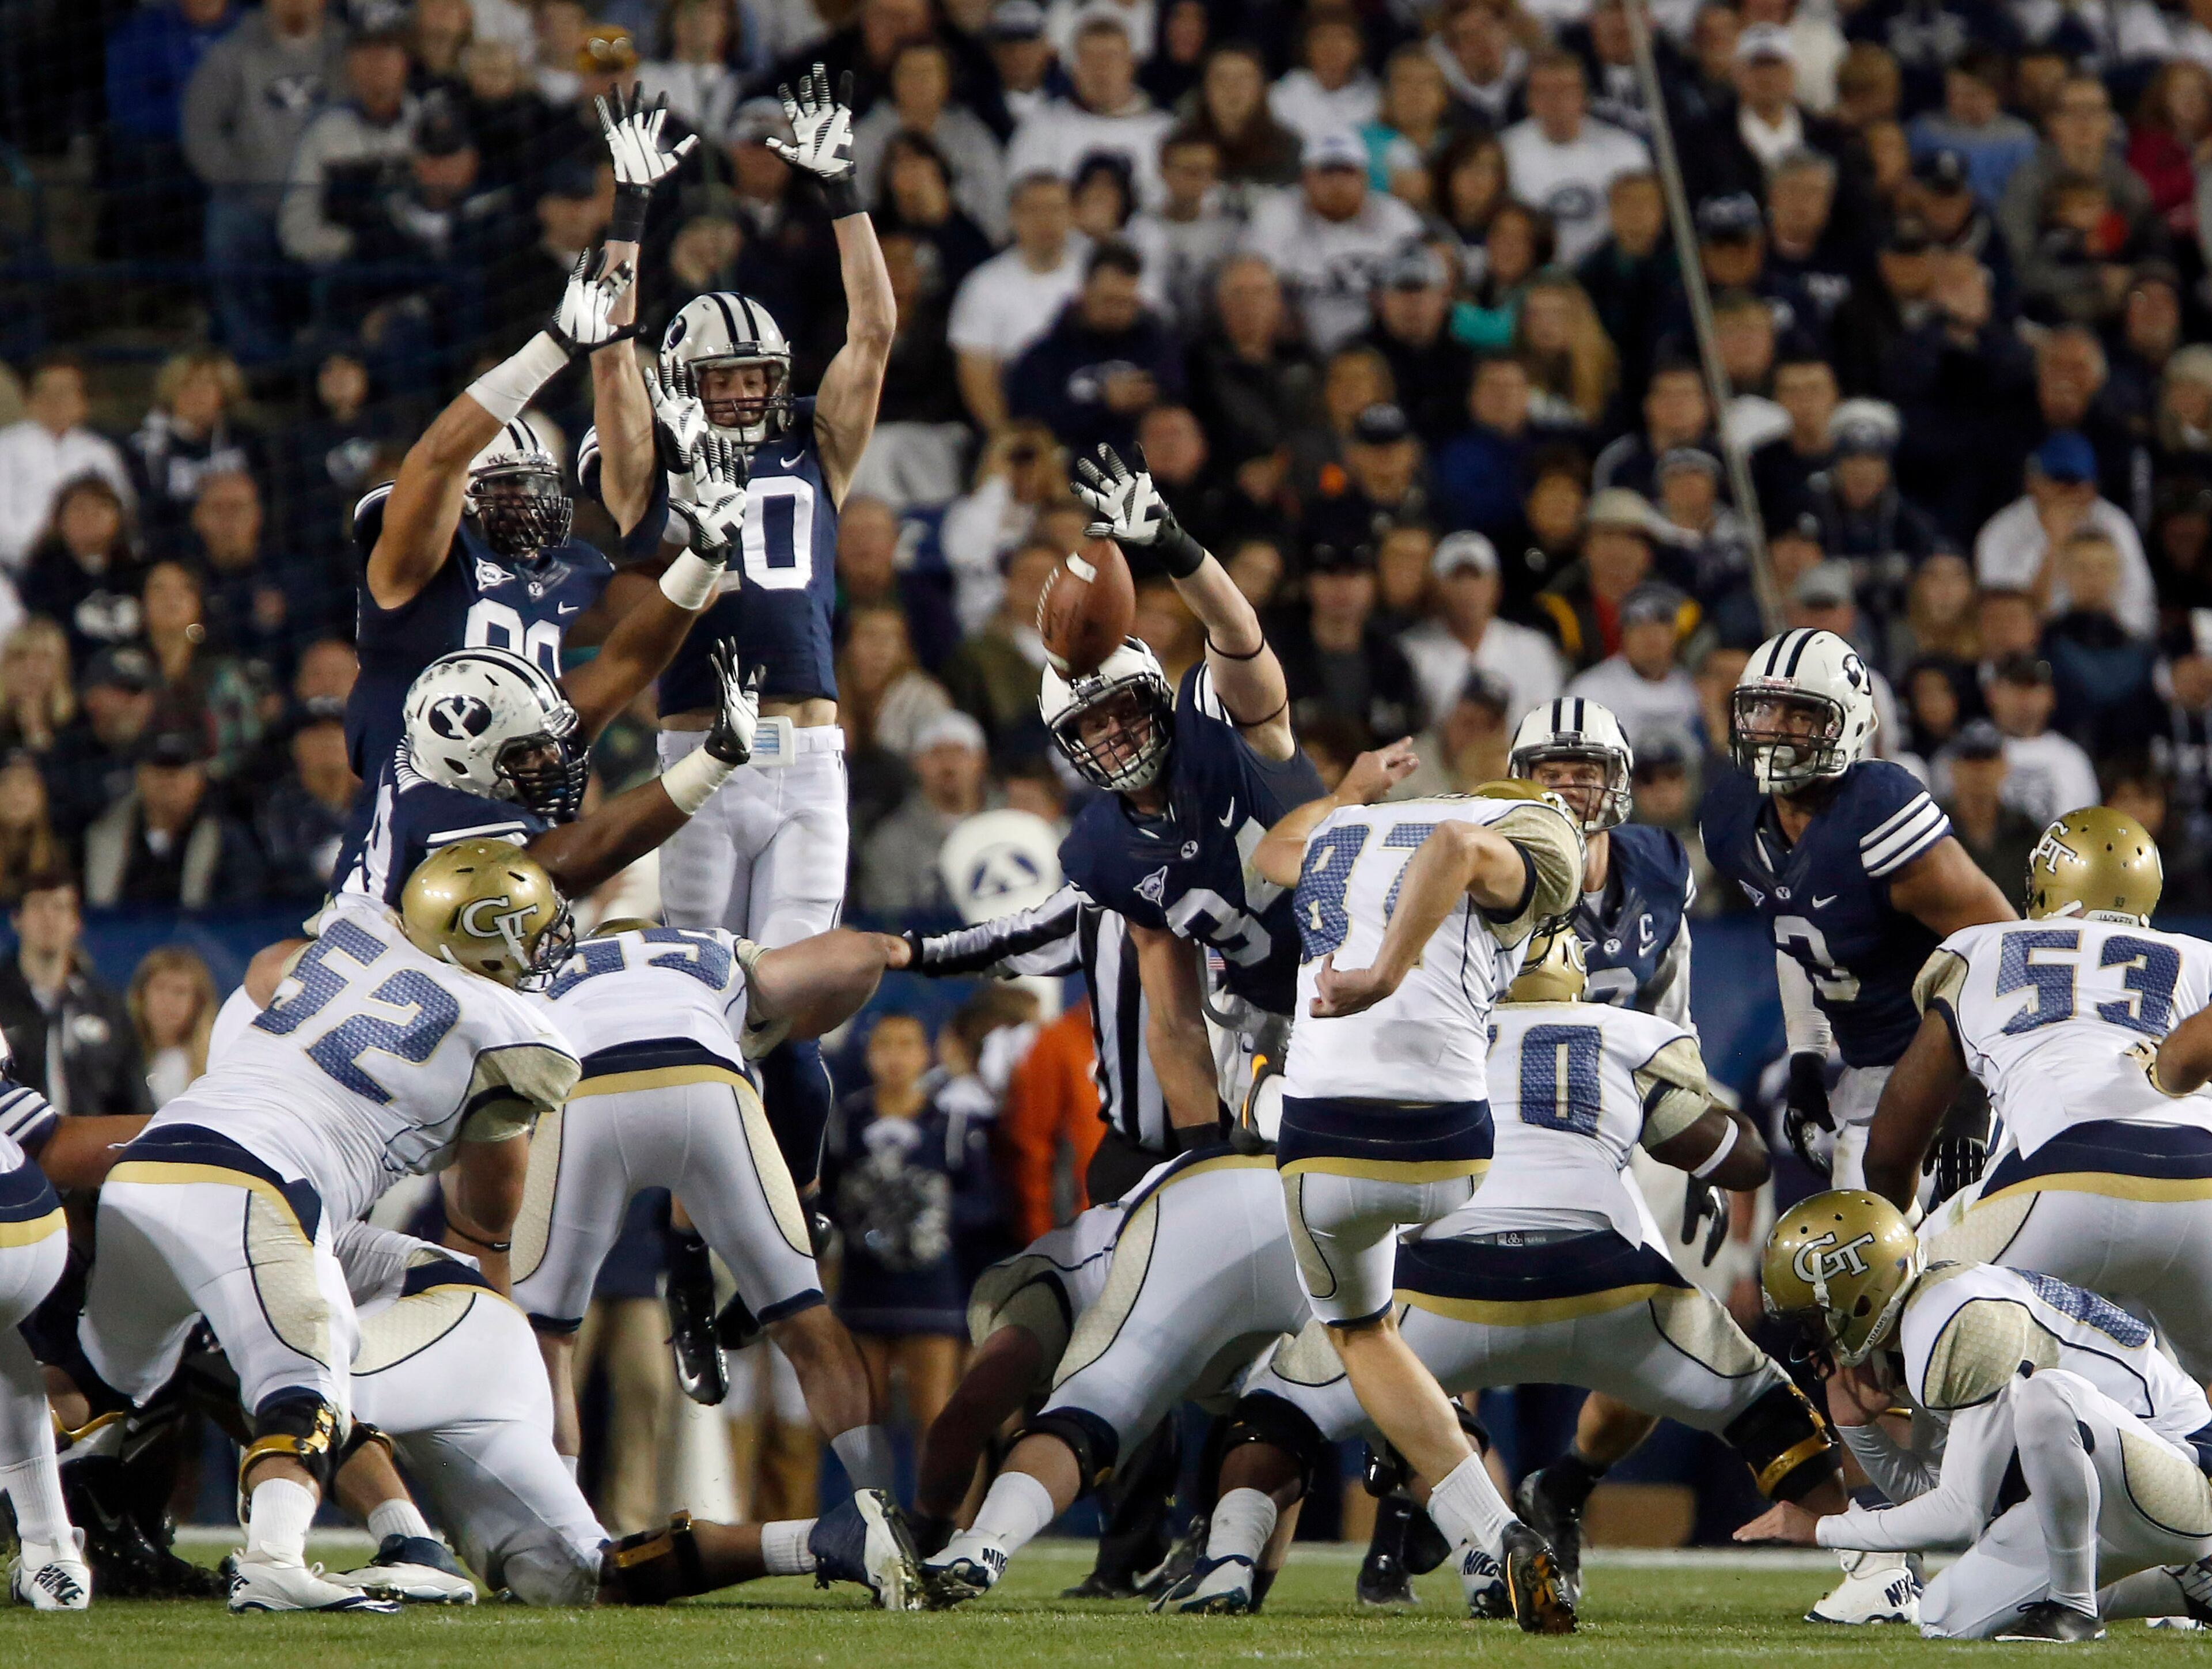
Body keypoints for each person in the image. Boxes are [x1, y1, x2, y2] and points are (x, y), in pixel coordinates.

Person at [1195, 929, 1832, 1616]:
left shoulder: (1421, 1034)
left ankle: (1229, 1561)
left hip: (1438, 1292)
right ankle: (1870, 1561)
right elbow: (1743, 1162)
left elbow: (1304, 1129)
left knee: (1274, 1410)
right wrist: (1715, 1121)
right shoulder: (1623, 1032)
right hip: (1607, 1286)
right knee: (1770, 1408)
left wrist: (1262, 1089)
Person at [72, 843, 578, 1611]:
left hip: (150, 1162)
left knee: (98, 1386)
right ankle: (274, 1558)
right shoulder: (512, 1030)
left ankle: (46, 1541)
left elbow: (271, 971)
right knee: (310, 1371)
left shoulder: (356, 930)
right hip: (259, 1178)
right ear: (483, 935)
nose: (543, 951)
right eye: (530, 931)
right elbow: (487, 1200)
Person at [1221, 774, 1586, 1632]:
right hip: (1446, 1147)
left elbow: (1273, 851)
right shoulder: (1509, 834)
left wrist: (1343, 791)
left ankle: (1477, 1530)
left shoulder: (1348, 825)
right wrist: (1387, 973)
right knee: (1375, 1321)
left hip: (1317, 1139)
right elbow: (1458, 851)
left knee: (1358, 1332)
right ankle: (1495, 1538)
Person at [1700, 626, 2014, 1622]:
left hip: (1940, 1077)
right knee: (1848, 1335)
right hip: (1855, 1090)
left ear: (1851, 725)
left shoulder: (1880, 807)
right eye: (1768, 710)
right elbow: (1793, 936)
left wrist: (1957, 1090)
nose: (1780, 731)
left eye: (1804, 713)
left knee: (1941, 1325)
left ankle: (1994, 1536)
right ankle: (1892, 1552)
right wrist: (1802, 1060)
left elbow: (2000, 945)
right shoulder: (1737, 817)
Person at [516, 917, 909, 1503]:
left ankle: (557, 1532)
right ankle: (881, 1511)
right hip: (709, 1082)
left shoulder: (546, 966)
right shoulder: (711, 945)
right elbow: (855, 958)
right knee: (806, 1319)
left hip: (589, 1094)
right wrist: (878, 950)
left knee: (546, 1339)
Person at [1741, 1190, 2212, 1641]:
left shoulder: (1952, 1319)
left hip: (2183, 1470)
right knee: (1945, 1614)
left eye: (1812, 1319)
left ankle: (2074, 1607)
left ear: (1857, 1297)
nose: (1810, 1341)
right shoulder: (1926, 1318)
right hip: (2105, 1483)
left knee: (2048, 1400)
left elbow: (1960, 1516)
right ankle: (2183, 1589)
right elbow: (1932, 1491)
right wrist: (1857, 1427)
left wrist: (1820, 1527)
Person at [1859, 807, 2212, 1376]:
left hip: (2062, 1172)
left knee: (1886, 1320)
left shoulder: (1988, 945)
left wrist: (1904, 1226)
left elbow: (1891, 1143)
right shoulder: (2201, 957)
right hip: (2202, 1182)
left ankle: (1930, 1462)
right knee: (2205, 1394)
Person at [1035, 442, 1319, 1146]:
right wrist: (1200, 1153)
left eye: (1125, 709)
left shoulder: (1228, 727)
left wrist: (1173, 543)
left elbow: (1236, 631)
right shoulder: (1104, 848)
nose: (1114, 734)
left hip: (1362, 979)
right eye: (1089, 726)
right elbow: (1172, 1017)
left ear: (1161, 698)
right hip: (1262, 1021)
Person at [918, 1145, 1313, 1610]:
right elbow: (1293, 1427)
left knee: (1090, 1410)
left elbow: (966, 1414)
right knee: (1290, 1415)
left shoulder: (1041, 1281)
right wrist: (1258, 1583)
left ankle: (985, 1540)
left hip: (1199, 1210)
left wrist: (924, 1532)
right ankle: (1232, 1565)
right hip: (1315, 1202)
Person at [1238, 131, 1425, 355]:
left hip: (1383, 349)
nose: (1337, 183)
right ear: (1305, 178)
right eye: (1327, 172)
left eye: (1347, 172)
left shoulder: (1396, 218)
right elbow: (1250, 279)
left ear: (1364, 178)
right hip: (1292, 349)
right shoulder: (1277, 214)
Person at [0, 873, 151, 1119]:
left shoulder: (107, 1006)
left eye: (59, 907)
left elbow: (135, 1104)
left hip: (91, 1149)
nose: (49, 917)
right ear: (17, 919)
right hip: (11, 1150)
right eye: (38, 905)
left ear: (76, 923)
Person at [1397, 530, 1564, 728]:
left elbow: (1551, 728)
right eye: (1457, 578)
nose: (1467, 589)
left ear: (1496, 585)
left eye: (1476, 576)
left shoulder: (1533, 649)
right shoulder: (1410, 652)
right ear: (1437, 587)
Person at [1501, 51, 1652, 267]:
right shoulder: (1505, 150)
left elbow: (1643, 222)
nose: (1556, 100)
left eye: (1566, 90)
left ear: (1585, 97)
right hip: (1533, 271)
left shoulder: (1626, 150)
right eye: (1544, 91)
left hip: (1607, 271)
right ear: (1529, 99)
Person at [0, 357, 134, 572]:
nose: (57, 400)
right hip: (21, 568)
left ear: (83, 401)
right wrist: (39, 555)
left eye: (67, 391)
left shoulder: (101, 452)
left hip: (93, 566)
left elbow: (123, 514)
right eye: (48, 391)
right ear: (30, 398)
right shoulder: (5, 446)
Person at [127, 946, 217, 1109]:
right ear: (142, 995)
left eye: (180, 992)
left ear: (198, 1003)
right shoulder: (119, 1057)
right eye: (160, 988)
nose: (168, 1001)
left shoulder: (214, 1064)